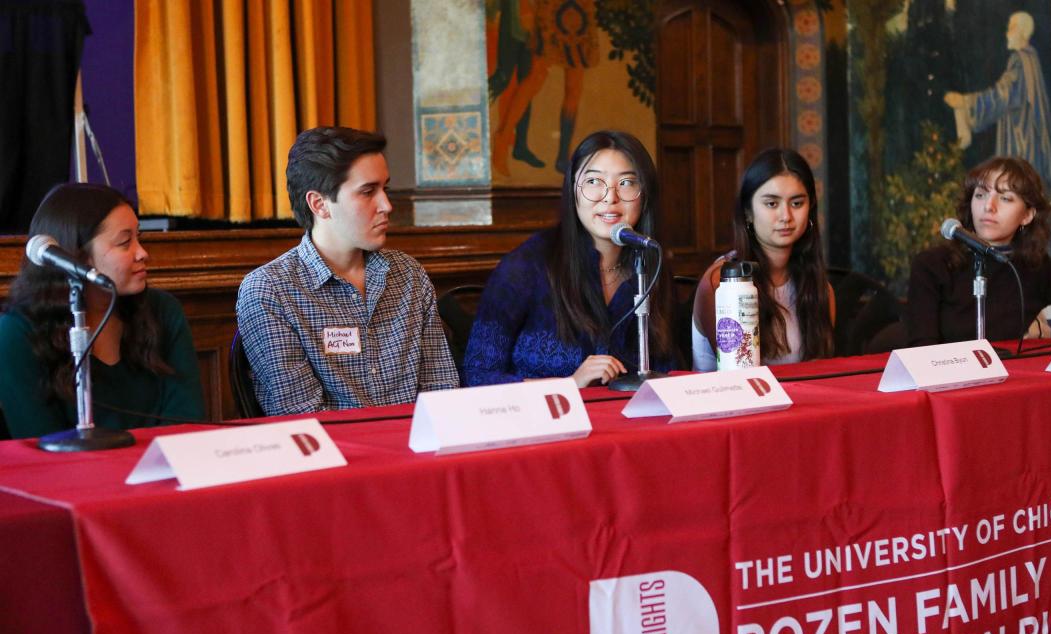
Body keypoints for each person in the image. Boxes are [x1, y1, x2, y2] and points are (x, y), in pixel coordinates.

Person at [236, 126, 458, 415]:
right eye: (368, 192)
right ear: (320, 204)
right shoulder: (270, 291)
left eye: (385, 188)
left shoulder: (409, 275)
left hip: (419, 451)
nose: (387, 205)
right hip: (337, 456)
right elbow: (303, 418)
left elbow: (443, 395)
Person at [463, 129, 674, 387]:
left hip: (633, 422)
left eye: (627, 182)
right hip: (545, 422)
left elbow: (669, 368)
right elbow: (478, 375)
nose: (610, 197)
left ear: (645, 195)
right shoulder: (526, 267)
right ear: (573, 189)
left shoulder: (651, 265)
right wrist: (569, 385)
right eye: (594, 182)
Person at [0, 183, 203, 438]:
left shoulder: (163, 311)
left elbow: (187, 423)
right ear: (77, 257)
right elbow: (38, 445)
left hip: (161, 472)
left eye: (139, 238)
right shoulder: (15, 334)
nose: (142, 253)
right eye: (124, 242)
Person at [907, 156, 1051, 347]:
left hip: (1013, 381)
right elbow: (922, 349)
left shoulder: (1038, 268)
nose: (989, 206)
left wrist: (1049, 329)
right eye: (980, 195)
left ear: (1027, 215)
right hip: (949, 382)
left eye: (1005, 198)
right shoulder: (932, 265)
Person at [691, 148, 835, 370]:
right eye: (772, 204)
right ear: (748, 211)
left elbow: (820, 370)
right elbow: (738, 373)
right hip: (729, 399)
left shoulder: (820, 288)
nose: (786, 216)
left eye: (797, 203)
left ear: (810, 208)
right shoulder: (723, 283)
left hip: (798, 401)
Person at [944, 11, 1051, 194]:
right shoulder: (1031, 59)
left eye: (1011, 28)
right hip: (1029, 143)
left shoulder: (1019, 61)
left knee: (1015, 191)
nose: (1007, 33)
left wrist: (966, 102)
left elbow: (1001, 96)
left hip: (1021, 144)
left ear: (1022, 32)